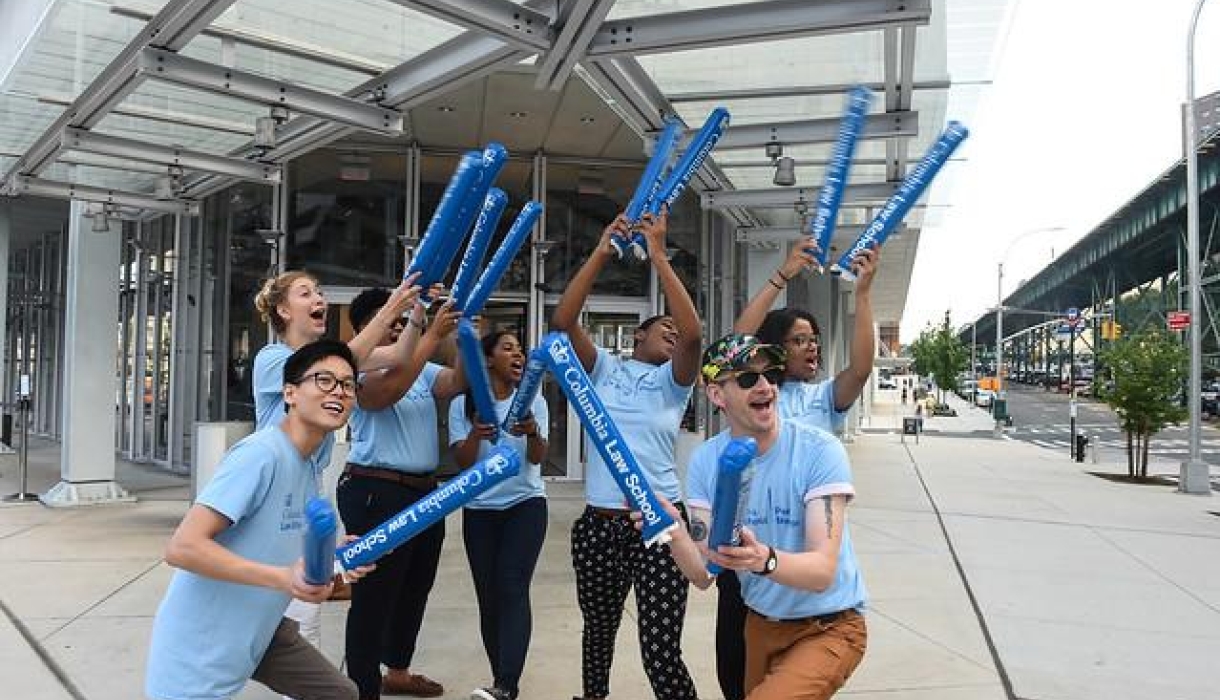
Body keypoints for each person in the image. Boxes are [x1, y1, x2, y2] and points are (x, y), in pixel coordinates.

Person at [146, 340, 373, 700]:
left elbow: (280, 540)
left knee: (339, 694)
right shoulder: (261, 454)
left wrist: (335, 558)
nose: (339, 392)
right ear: (290, 393)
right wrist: (283, 578)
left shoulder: (309, 467)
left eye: (348, 384)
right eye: (325, 380)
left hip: (263, 629)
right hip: (205, 641)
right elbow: (182, 547)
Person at [708, 238, 877, 700]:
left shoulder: (822, 399)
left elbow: (861, 368)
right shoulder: (755, 388)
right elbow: (734, 347)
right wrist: (781, 275)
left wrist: (862, 296)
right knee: (737, 677)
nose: (811, 348)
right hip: (746, 561)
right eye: (798, 340)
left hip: (802, 561)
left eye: (815, 341)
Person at [663, 333, 868, 700]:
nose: (765, 386)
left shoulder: (820, 451)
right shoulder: (707, 460)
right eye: (746, 378)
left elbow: (822, 572)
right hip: (760, 624)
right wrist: (675, 533)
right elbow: (704, 573)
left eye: (771, 375)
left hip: (829, 625)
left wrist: (764, 559)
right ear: (716, 395)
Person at [551, 210, 702, 700]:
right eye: (664, 328)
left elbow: (695, 336)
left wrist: (658, 255)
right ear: (637, 334)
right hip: (599, 523)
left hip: (660, 524)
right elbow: (563, 321)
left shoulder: (672, 384)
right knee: (598, 631)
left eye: (675, 332)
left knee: (660, 649)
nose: (674, 335)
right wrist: (601, 250)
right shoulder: (603, 371)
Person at [252, 271, 421, 657]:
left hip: (306, 505)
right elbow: (338, 366)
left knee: (302, 629)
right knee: (257, 631)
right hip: (269, 509)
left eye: (320, 291)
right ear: (282, 309)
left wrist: (417, 312)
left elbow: (398, 355)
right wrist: (393, 305)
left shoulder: (333, 357)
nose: (319, 299)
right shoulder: (272, 359)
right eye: (305, 292)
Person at [337, 286, 464, 700]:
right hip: (376, 490)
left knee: (414, 589)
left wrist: (460, 334)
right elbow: (383, 395)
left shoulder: (422, 369)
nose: (396, 327)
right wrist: (427, 336)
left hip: (425, 495)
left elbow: (457, 381)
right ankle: (362, 688)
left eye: (400, 319)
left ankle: (398, 671)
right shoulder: (355, 370)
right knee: (374, 596)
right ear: (363, 329)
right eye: (388, 320)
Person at [448, 330, 550, 700]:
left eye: (520, 350)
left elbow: (539, 458)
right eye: (508, 348)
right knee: (488, 597)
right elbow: (460, 461)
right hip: (479, 511)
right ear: (487, 360)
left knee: (511, 585)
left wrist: (534, 432)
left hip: (525, 505)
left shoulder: (533, 401)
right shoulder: (463, 403)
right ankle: (499, 678)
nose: (518, 355)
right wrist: (476, 435)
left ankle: (508, 683)